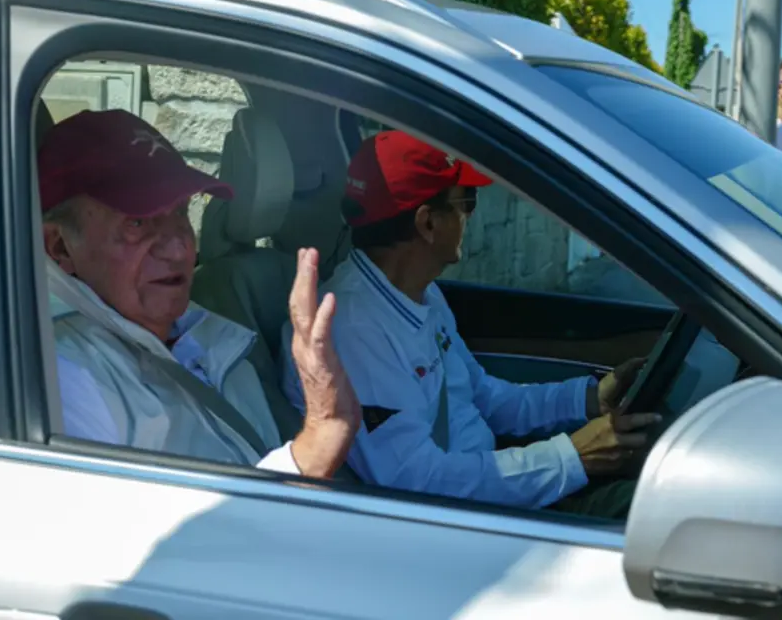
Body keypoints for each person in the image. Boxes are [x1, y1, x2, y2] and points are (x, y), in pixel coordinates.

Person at [281, 130, 660, 518]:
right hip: (468, 521)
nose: (471, 216)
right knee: (658, 509)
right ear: (428, 223)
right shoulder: (354, 329)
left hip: (489, 485)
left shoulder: (421, 295)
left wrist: (588, 399)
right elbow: (418, 482)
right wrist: (574, 456)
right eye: (467, 202)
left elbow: (484, 397)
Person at [39, 109, 358, 479]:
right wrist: (316, 446)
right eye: (137, 222)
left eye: (181, 212)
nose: (180, 248)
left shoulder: (210, 336)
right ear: (59, 246)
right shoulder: (64, 374)